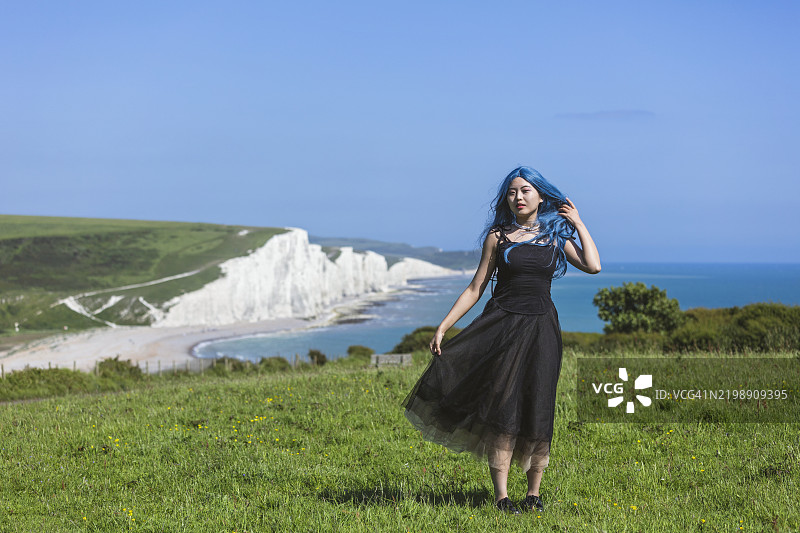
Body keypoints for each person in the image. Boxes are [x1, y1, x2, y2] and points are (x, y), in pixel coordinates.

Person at [402, 166, 601, 514]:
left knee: (539, 406)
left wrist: (579, 224)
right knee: (503, 407)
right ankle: (502, 497)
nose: (518, 197)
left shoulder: (555, 235)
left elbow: (593, 265)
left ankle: (534, 495)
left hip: (542, 330)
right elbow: (476, 288)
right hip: (501, 327)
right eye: (512, 192)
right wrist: (443, 327)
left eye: (525, 191)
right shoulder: (498, 236)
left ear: (541, 196)